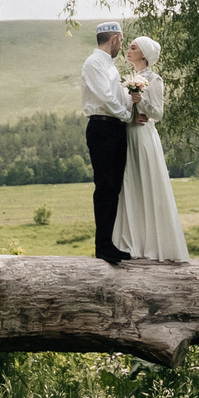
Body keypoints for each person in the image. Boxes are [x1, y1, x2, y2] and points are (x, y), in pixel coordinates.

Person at [111, 35, 189, 262]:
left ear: (144, 54)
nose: (128, 50)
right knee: (130, 184)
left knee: (147, 182)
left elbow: (158, 113)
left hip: (144, 136)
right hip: (128, 134)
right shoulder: (127, 79)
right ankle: (131, 242)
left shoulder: (155, 79)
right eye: (129, 47)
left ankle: (154, 244)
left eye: (133, 48)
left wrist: (140, 101)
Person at [80, 22, 133, 264]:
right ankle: (102, 245)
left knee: (115, 186)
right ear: (114, 39)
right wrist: (127, 115)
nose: (121, 46)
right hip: (102, 127)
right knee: (105, 185)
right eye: (121, 41)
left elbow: (119, 96)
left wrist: (132, 110)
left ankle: (110, 243)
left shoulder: (110, 66)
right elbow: (106, 97)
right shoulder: (94, 63)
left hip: (115, 127)